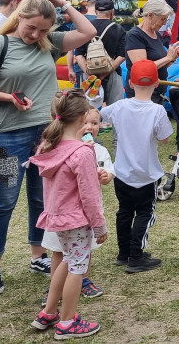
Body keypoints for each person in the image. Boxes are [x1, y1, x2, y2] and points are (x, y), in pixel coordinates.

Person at [0, 0, 95, 294]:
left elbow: (89, 32)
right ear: (20, 16)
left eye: (43, 30)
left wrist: (61, 3)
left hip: (46, 137)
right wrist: (8, 97)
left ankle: (37, 255)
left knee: (44, 199)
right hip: (6, 137)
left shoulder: (48, 45)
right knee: (3, 201)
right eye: (32, 27)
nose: (36, 35)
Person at [29, 90, 106, 339]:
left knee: (67, 260)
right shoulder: (83, 152)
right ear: (84, 117)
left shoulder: (49, 146)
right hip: (77, 219)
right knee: (77, 267)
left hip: (58, 218)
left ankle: (49, 311)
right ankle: (67, 322)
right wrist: (100, 226)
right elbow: (90, 196)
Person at [103, 59, 173, 273]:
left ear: (130, 84)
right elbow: (165, 139)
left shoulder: (120, 106)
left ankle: (123, 253)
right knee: (144, 213)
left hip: (122, 173)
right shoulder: (157, 111)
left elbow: (99, 115)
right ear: (156, 84)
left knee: (124, 212)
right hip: (146, 175)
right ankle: (136, 256)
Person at [39, 107, 112, 300]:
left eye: (95, 123)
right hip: (77, 215)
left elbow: (106, 174)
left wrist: (105, 176)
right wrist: (99, 225)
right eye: (86, 122)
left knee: (78, 254)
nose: (89, 127)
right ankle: (59, 299)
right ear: (78, 121)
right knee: (62, 254)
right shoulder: (80, 152)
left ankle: (79, 283)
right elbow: (87, 193)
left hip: (60, 213)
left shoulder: (96, 150)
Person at [124, 0, 179, 103]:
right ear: (150, 15)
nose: (164, 23)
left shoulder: (156, 34)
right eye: (162, 19)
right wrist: (168, 57)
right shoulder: (135, 36)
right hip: (142, 94)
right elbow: (142, 68)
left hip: (157, 91)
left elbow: (161, 66)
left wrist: (173, 57)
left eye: (166, 19)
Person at [73, 0, 126, 106]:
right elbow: (122, 55)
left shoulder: (86, 28)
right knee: (114, 110)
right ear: (112, 12)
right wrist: (105, 73)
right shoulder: (118, 29)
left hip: (89, 74)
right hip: (112, 74)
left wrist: (89, 74)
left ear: (96, 11)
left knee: (88, 111)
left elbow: (78, 54)